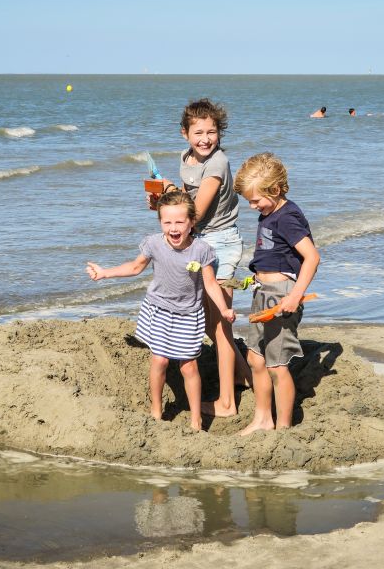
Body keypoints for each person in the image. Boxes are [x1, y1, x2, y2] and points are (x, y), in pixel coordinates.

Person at [86, 190, 235, 431]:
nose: (173, 228)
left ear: (192, 222)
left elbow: (209, 284)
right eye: (167, 222)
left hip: (188, 314)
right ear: (160, 222)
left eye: (179, 222)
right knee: (160, 360)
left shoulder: (201, 250)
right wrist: (104, 273)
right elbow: (135, 267)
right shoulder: (153, 243)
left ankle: (196, 419)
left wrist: (224, 309)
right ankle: (156, 410)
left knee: (189, 366)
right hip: (158, 310)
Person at [153, 98, 250, 418]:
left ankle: (226, 403)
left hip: (220, 243)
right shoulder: (187, 157)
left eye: (212, 132)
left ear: (220, 134)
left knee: (221, 325)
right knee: (211, 323)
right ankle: (243, 374)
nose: (205, 138)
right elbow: (184, 199)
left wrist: (169, 194)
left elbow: (197, 210)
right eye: (199, 132)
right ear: (185, 134)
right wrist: (164, 199)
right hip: (200, 241)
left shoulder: (217, 164)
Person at [233, 153, 320, 435]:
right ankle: (262, 419)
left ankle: (283, 427)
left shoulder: (288, 218)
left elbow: (312, 257)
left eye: (256, 200)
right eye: (249, 200)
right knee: (255, 358)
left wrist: (294, 296)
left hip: (281, 295)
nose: (252, 206)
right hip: (263, 292)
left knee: (276, 364)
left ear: (277, 189)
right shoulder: (269, 213)